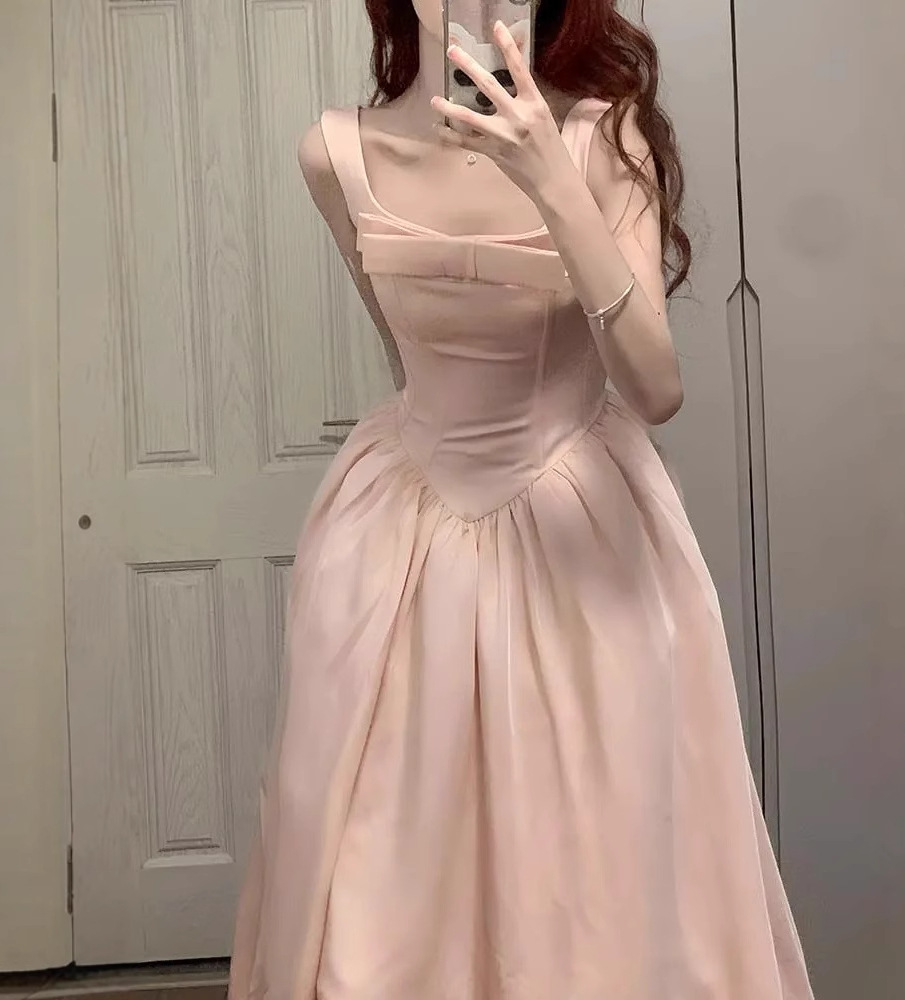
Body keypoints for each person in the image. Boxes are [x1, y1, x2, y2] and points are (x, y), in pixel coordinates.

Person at [228, 1, 814, 997]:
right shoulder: (333, 154)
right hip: (393, 551)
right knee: (384, 870)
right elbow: (404, 354)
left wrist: (553, 181)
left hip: (580, 537)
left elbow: (656, 390)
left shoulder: (602, 134)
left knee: (591, 870)